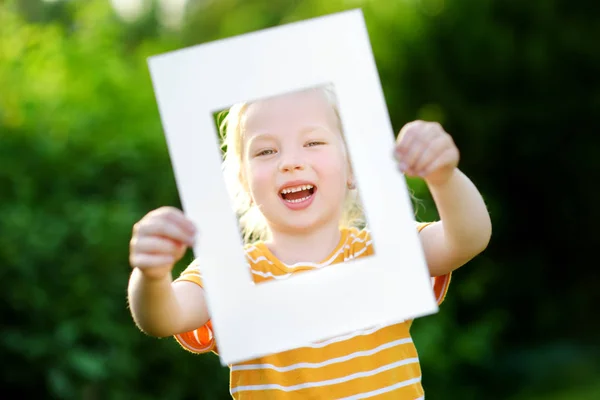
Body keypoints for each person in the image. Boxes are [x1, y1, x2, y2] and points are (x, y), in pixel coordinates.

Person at [127, 86, 492, 399]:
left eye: (313, 142)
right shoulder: (231, 273)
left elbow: (468, 238)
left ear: (352, 168)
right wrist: (151, 273)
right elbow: (163, 317)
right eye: (266, 151)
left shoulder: (382, 250)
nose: (290, 162)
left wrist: (443, 176)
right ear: (243, 181)